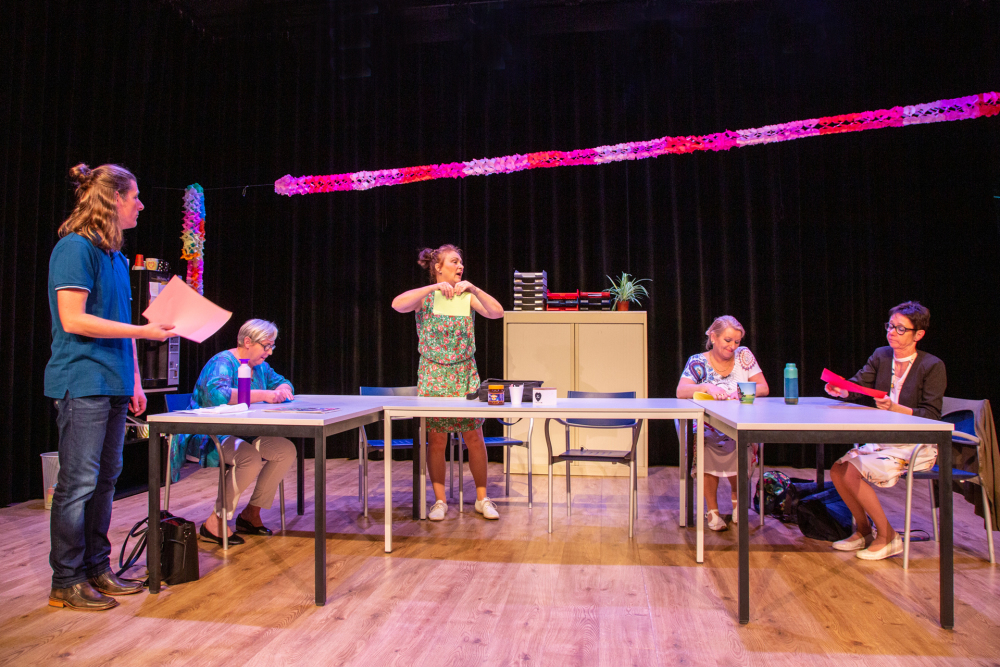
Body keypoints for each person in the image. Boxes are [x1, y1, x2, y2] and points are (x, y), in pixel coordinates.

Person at [45, 163, 175, 611]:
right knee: (78, 483)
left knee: (105, 481)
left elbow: (121, 324)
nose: (141, 205)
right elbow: (73, 319)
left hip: (115, 382)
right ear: (114, 198)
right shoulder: (74, 248)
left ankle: (97, 567)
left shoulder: (117, 258)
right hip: (83, 381)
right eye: (134, 196)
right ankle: (66, 580)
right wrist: (143, 332)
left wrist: (135, 378)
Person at [391, 244, 505, 521]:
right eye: (454, 261)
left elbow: (497, 312)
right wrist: (433, 288)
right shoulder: (426, 298)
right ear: (438, 267)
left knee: (474, 437)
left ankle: (482, 498)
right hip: (433, 376)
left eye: (461, 262)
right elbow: (397, 304)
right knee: (437, 439)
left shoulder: (467, 297)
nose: (460, 266)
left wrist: (474, 289)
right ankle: (439, 501)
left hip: (464, 375)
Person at [827, 301, 946, 560]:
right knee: (838, 471)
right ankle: (864, 531)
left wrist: (895, 408)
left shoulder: (932, 365)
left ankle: (888, 536)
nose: (892, 332)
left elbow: (932, 416)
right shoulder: (882, 356)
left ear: (918, 334)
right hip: (885, 440)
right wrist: (841, 389)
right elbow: (859, 384)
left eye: (900, 328)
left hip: (916, 444)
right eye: (890, 326)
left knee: (852, 472)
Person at [174, 319, 296, 546]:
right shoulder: (222, 362)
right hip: (209, 434)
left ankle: (251, 513)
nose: (269, 352)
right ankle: (215, 521)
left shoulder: (260, 367)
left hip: (243, 432)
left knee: (285, 450)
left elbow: (283, 382)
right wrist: (265, 395)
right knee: (248, 458)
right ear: (248, 342)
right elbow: (218, 395)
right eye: (266, 346)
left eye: (272, 346)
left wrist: (283, 388)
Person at [676, 315, 769, 531]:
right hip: (709, 424)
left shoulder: (744, 356)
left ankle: (738, 503)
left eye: (736, 341)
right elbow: (681, 391)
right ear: (713, 337)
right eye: (727, 340)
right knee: (704, 444)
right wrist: (706, 387)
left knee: (741, 442)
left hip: (739, 421)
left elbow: (763, 387)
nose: (732, 346)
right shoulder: (697, 361)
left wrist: (742, 391)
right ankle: (712, 510)